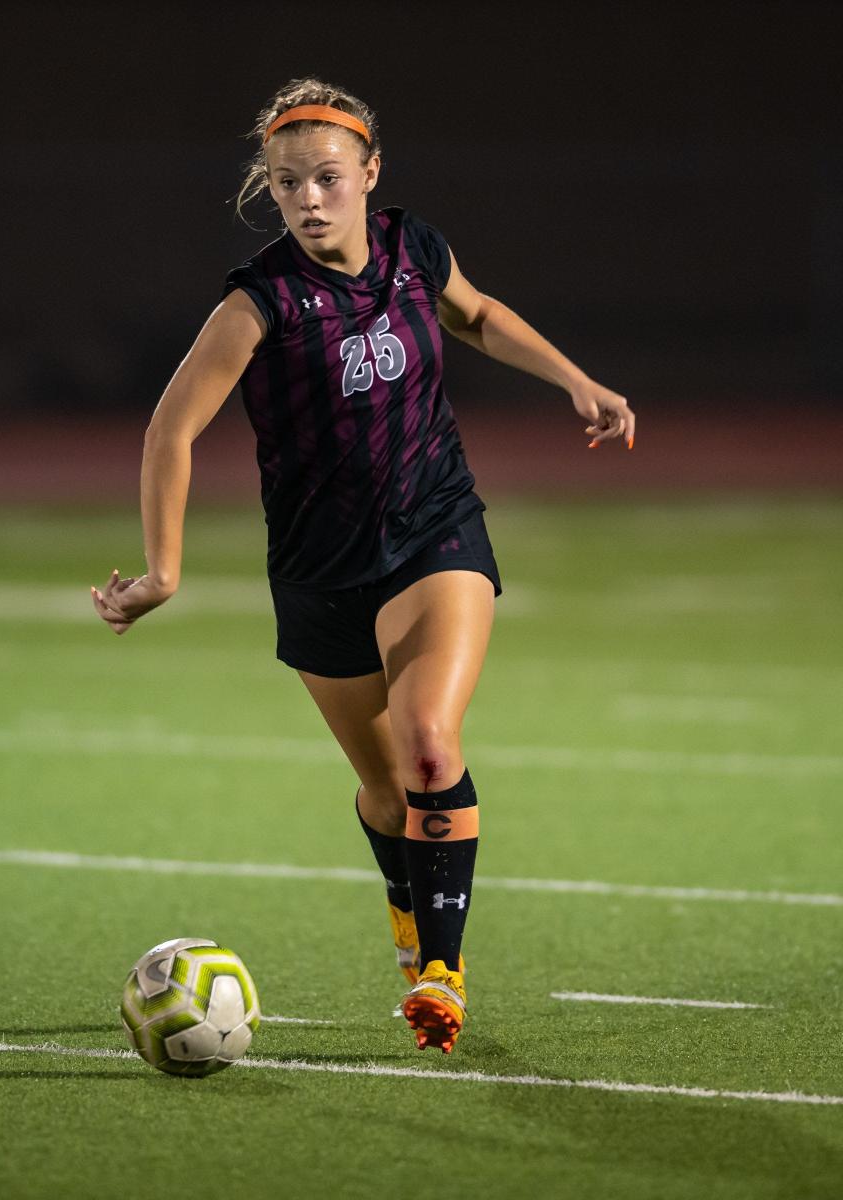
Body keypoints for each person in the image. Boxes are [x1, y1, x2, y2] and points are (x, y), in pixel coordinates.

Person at [91, 78, 635, 1054]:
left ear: (370, 174)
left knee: (431, 741)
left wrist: (576, 381)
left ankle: (442, 973)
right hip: (317, 570)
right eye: (288, 181)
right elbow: (171, 430)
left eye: (328, 178)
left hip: (435, 532)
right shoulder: (260, 301)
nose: (308, 198)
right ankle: (408, 918)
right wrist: (163, 571)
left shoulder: (414, 247)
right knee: (387, 791)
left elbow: (474, 314)